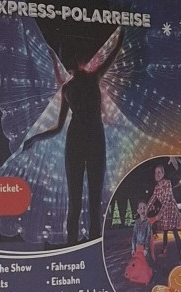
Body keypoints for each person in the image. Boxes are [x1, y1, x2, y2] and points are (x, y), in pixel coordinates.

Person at [23, 27, 122, 243]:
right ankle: (89, 246)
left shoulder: (69, 87)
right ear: (80, 59)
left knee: (75, 202)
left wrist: (35, 138)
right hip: (93, 140)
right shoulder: (92, 78)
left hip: (77, 141)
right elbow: (114, 53)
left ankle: (74, 246)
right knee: (92, 202)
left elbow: (58, 127)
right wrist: (122, 31)